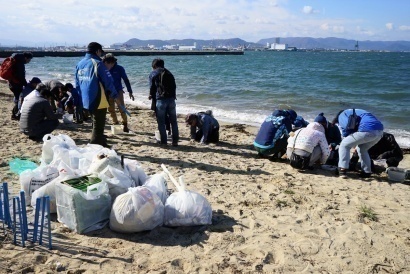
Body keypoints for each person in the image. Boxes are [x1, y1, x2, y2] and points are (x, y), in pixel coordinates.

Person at [75, 42, 119, 147]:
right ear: (97, 51)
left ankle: (102, 142)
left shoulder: (80, 64)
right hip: (98, 98)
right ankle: (94, 145)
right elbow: (108, 81)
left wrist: (80, 98)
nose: (101, 55)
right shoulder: (98, 63)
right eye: (100, 52)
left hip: (85, 98)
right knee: (99, 124)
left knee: (95, 122)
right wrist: (115, 95)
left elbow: (77, 84)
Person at [334, 109, 384, 178]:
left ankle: (343, 169)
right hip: (380, 132)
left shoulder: (342, 115)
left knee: (344, 145)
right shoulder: (359, 111)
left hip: (367, 129)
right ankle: (366, 172)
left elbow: (346, 127)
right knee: (362, 149)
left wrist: (346, 136)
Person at [149, 58, 179, 146]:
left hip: (161, 100)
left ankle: (164, 142)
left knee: (161, 122)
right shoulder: (169, 73)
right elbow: (174, 86)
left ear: (154, 66)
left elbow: (152, 88)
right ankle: (175, 141)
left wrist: (151, 95)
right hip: (171, 100)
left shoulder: (153, 73)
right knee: (174, 121)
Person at [102, 53, 135, 132]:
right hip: (108, 91)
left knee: (122, 108)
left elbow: (126, 80)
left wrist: (130, 91)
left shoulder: (119, 68)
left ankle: (125, 124)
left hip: (118, 91)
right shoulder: (104, 68)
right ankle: (115, 123)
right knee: (111, 109)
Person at [7, 52, 33, 120]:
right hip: (16, 84)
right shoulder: (20, 64)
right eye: (29, 60)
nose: (29, 61)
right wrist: (26, 85)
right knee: (19, 99)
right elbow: (21, 77)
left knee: (17, 98)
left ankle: (15, 114)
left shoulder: (15, 61)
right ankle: (16, 115)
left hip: (11, 82)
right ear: (26, 58)